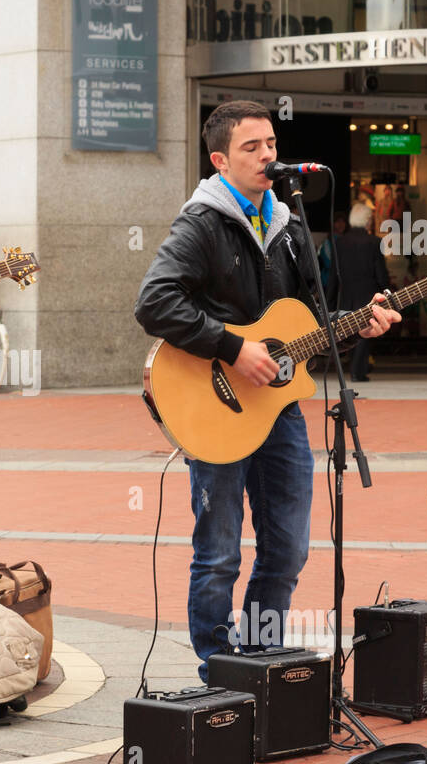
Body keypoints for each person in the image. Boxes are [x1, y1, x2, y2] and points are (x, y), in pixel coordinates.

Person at [133, 100, 399, 682]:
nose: (267, 157)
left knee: (288, 548)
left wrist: (361, 321)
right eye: (252, 148)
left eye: (272, 145)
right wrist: (232, 347)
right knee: (220, 553)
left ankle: (260, 659)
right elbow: (153, 302)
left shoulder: (289, 222)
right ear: (220, 159)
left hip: (278, 410)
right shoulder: (201, 222)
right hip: (214, 405)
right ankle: (216, 670)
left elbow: (311, 320)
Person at [332, 202, 393, 381]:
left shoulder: (340, 243)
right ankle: (359, 371)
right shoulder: (374, 242)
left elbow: (334, 276)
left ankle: (353, 368)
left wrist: (330, 299)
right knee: (366, 331)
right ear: (368, 221)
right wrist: (386, 290)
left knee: (347, 329)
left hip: (346, 293)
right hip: (368, 293)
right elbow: (380, 273)